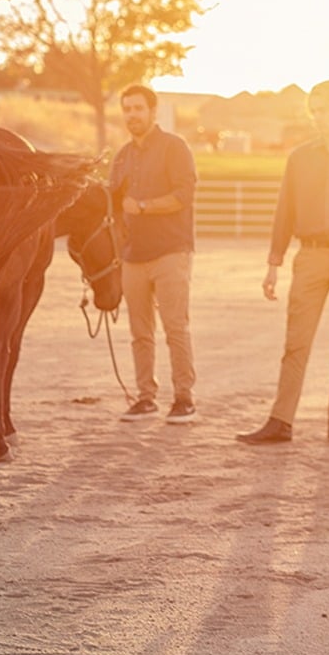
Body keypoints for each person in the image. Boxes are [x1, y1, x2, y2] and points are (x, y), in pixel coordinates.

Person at [236, 80, 329, 447]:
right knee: (296, 342)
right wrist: (274, 262)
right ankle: (280, 421)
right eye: (314, 111)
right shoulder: (300, 157)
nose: (317, 118)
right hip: (309, 257)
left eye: (324, 110)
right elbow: (284, 212)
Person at [109, 84, 199, 425]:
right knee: (139, 332)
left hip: (171, 251)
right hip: (133, 255)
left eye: (138, 108)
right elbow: (114, 204)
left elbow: (184, 195)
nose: (132, 115)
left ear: (153, 111)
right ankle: (145, 398)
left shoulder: (175, 148)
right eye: (127, 109)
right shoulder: (121, 157)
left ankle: (184, 398)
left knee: (175, 327)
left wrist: (144, 207)